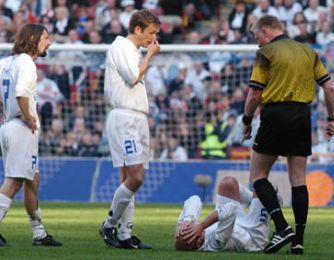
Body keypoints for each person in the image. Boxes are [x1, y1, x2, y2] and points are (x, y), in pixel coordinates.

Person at [241, 15, 334, 255]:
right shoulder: (309, 51)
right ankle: (299, 241)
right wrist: (332, 119)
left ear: (266, 32)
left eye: (257, 37)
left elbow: (254, 95)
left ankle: (282, 227)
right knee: (298, 178)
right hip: (302, 116)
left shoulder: (267, 52)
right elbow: (329, 87)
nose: (257, 43)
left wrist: (246, 120)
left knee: (258, 175)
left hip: (276, 113)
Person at [99, 10, 160, 249]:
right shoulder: (120, 46)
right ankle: (108, 224)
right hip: (124, 118)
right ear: (137, 29)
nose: (152, 39)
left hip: (137, 118)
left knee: (128, 178)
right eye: (151, 33)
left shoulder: (133, 51)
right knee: (136, 177)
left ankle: (125, 234)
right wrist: (151, 56)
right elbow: (133, 77)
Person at [0, 24, 62, 246]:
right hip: (20, 127)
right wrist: (27, 116)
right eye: (46, 37)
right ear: (34, 38)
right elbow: (20, 94)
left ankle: (39, 233)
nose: (49, 42)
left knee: (32, 179)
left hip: (8, 125)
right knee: (15, 180)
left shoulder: (6, 62)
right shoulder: (27, 63)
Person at [175, 176, 272, 252]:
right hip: (252, 235)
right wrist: (201, 226)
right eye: (190, 231)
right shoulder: (216, 242)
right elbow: (231, 209)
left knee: (228, 182)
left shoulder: (185, 231)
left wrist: (187, 220)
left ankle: (262, 204)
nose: (190, 228)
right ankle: (271, 205)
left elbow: (194, 199)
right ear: (199, 243)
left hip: (230, 220)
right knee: (261, 187)